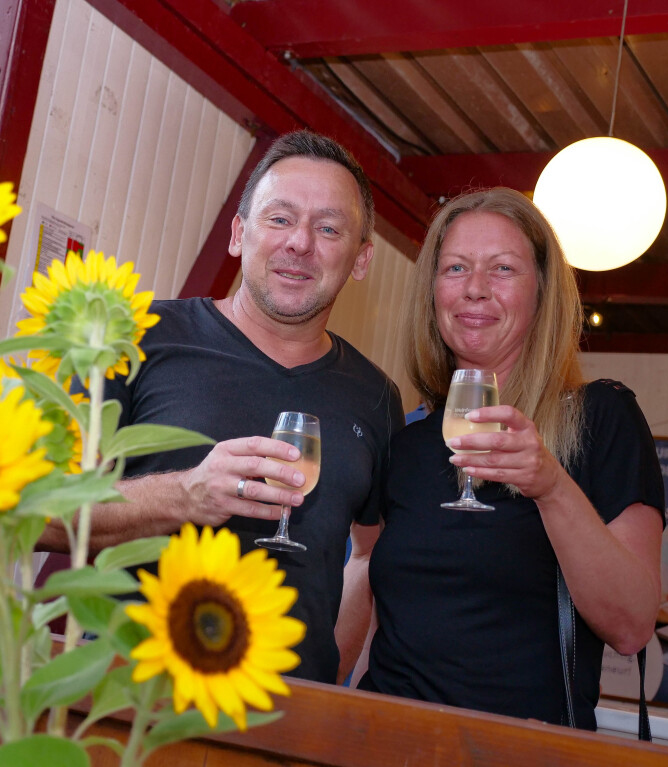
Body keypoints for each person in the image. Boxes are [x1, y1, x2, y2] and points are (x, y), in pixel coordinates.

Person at [41, 130, 405, 685]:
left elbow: (367, 555)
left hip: (286, 716)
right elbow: (36, 512)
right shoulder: (138, 338)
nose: (300, 243)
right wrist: (186, 492)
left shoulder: (376, 395)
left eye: (329, 228)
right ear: (239, 234)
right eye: (279, 219)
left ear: (361, 258)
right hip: (131, 700)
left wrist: (327, 673)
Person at [348, 187, 664, 730]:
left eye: (502, 269)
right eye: (455, 268)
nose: (474, 289)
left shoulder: (600, 419)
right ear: (432, 292)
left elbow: (631, 626)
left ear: (542, 293)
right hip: (382, 743)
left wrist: (551, 486)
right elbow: (366, 584)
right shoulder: (410, 439)